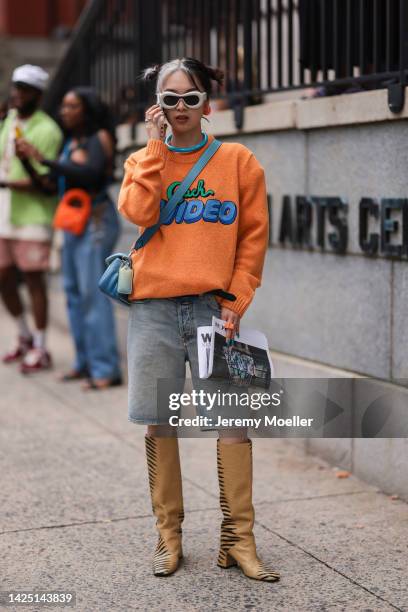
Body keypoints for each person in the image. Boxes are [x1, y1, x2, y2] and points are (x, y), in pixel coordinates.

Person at [118, 57, 280, 582]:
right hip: (155, 309)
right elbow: (139, 214)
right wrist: (153, 148)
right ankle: (169, 539)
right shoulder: (144, 160)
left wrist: (236, 301)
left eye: (191, 97)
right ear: (157, 106)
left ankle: (239, 541)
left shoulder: (237, 160)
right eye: (171, 99)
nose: (182, 107)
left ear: (208, 105)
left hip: (216, 309)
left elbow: (253, 239)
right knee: (161, 422)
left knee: (232, 421)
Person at [15, 87, 122, 390]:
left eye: (72, 106)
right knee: (73, 293)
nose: (64, 111)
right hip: (73, 220)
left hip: (96, 219)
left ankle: (106, 369)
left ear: (87, 109)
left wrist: (44, 160)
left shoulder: (99, 138)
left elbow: (89, 174)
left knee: (92, 294)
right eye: (63, 106)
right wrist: (28, 162)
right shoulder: (70, 142)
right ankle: (84, 363)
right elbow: (50, 186)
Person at [0, 65, 63, 373]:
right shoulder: (9, 120)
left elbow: (45, 178)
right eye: (16, 88)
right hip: (4, 213)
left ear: (37, 95)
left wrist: (7, 182)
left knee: (35, 280)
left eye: (24, 90)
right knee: (3, 278)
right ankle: (23, 334)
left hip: (34, 215)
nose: (17, 94)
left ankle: (40, 346)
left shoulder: (48, 129)